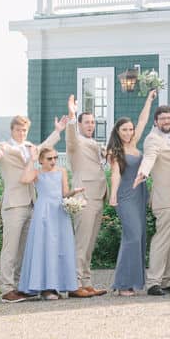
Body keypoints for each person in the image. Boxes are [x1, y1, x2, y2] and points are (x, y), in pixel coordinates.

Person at [0, 114, 63, 302]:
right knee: (10, 249)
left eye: (24, 130)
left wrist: (58, 131)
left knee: (25, 250)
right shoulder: (4, 148)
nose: (21, 133)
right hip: (13, 205)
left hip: (32, 204)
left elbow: (45, 146)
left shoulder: (30, 147)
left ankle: (21, 286)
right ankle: (7, 289)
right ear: (12, 130)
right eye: (18, 130)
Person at [135, 85, 170, 296]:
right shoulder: (153, 139)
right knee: (162, 240)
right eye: (163, 119)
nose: (167, 121)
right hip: (165, 198)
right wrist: (143, 173)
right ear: (156, 121)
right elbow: (149, 157)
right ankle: (153, 282)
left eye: (169, 118)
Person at [17, 142, 81, 299]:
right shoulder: (36, 173)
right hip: (44, 212)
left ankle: (59, 285)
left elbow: (64, 193)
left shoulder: (61, 171)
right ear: (41, 160)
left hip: (60, 211)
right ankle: (45, 288)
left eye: (55, 158)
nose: (53, 161)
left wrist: (74, 193)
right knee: (45, 247)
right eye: (49, 158)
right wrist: (31, 160)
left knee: (60, 247)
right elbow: (24, 179)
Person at [107, 96, 157, 295]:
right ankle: (122, 284)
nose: (128, 133)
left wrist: (148, 101)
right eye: (124, 130)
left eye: (130, 129)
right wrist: (113, 195)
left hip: (140, 195)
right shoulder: (115, 151)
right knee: (133, 237)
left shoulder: (134, 144)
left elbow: (143, 120)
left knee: (139, 237)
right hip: (125, 197)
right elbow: (115, 174)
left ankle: (133, 282)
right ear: (117, 132)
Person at [64, 93, 109, 298]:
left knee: (90, 244)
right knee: (81, 243)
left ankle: (87, 282)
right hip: (84, 196)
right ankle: (74, 284)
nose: (91, 125)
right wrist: (72, 116)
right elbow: (71, 139)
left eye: (93, 122)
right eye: (87, 122)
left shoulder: (94, 143)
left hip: (99, 195)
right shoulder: (77, 143)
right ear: (80, 125)